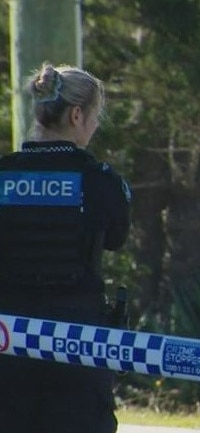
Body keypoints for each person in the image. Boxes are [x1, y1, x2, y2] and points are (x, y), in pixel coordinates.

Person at [0, 63, 131, 433]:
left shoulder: (4, 174)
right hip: (78, 347)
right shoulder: (100, 182)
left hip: (7, 345)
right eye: (94, 116)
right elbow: (117, 239)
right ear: (76, 115)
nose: (94, 125)